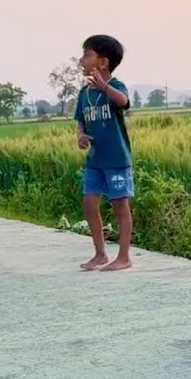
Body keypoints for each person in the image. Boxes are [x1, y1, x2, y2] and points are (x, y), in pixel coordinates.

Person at [74, 34, 134, 271]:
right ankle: (100, 254)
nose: (82, 60)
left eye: (87, 55)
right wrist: (80, 135)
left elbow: (123, 101)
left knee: (120, 206)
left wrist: (104, 87)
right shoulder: (84, 93)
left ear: (103, 62)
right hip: (95, 160)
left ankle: (124, 257)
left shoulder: (115, 87)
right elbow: (80, 119)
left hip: (117, 159)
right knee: (89, 204)